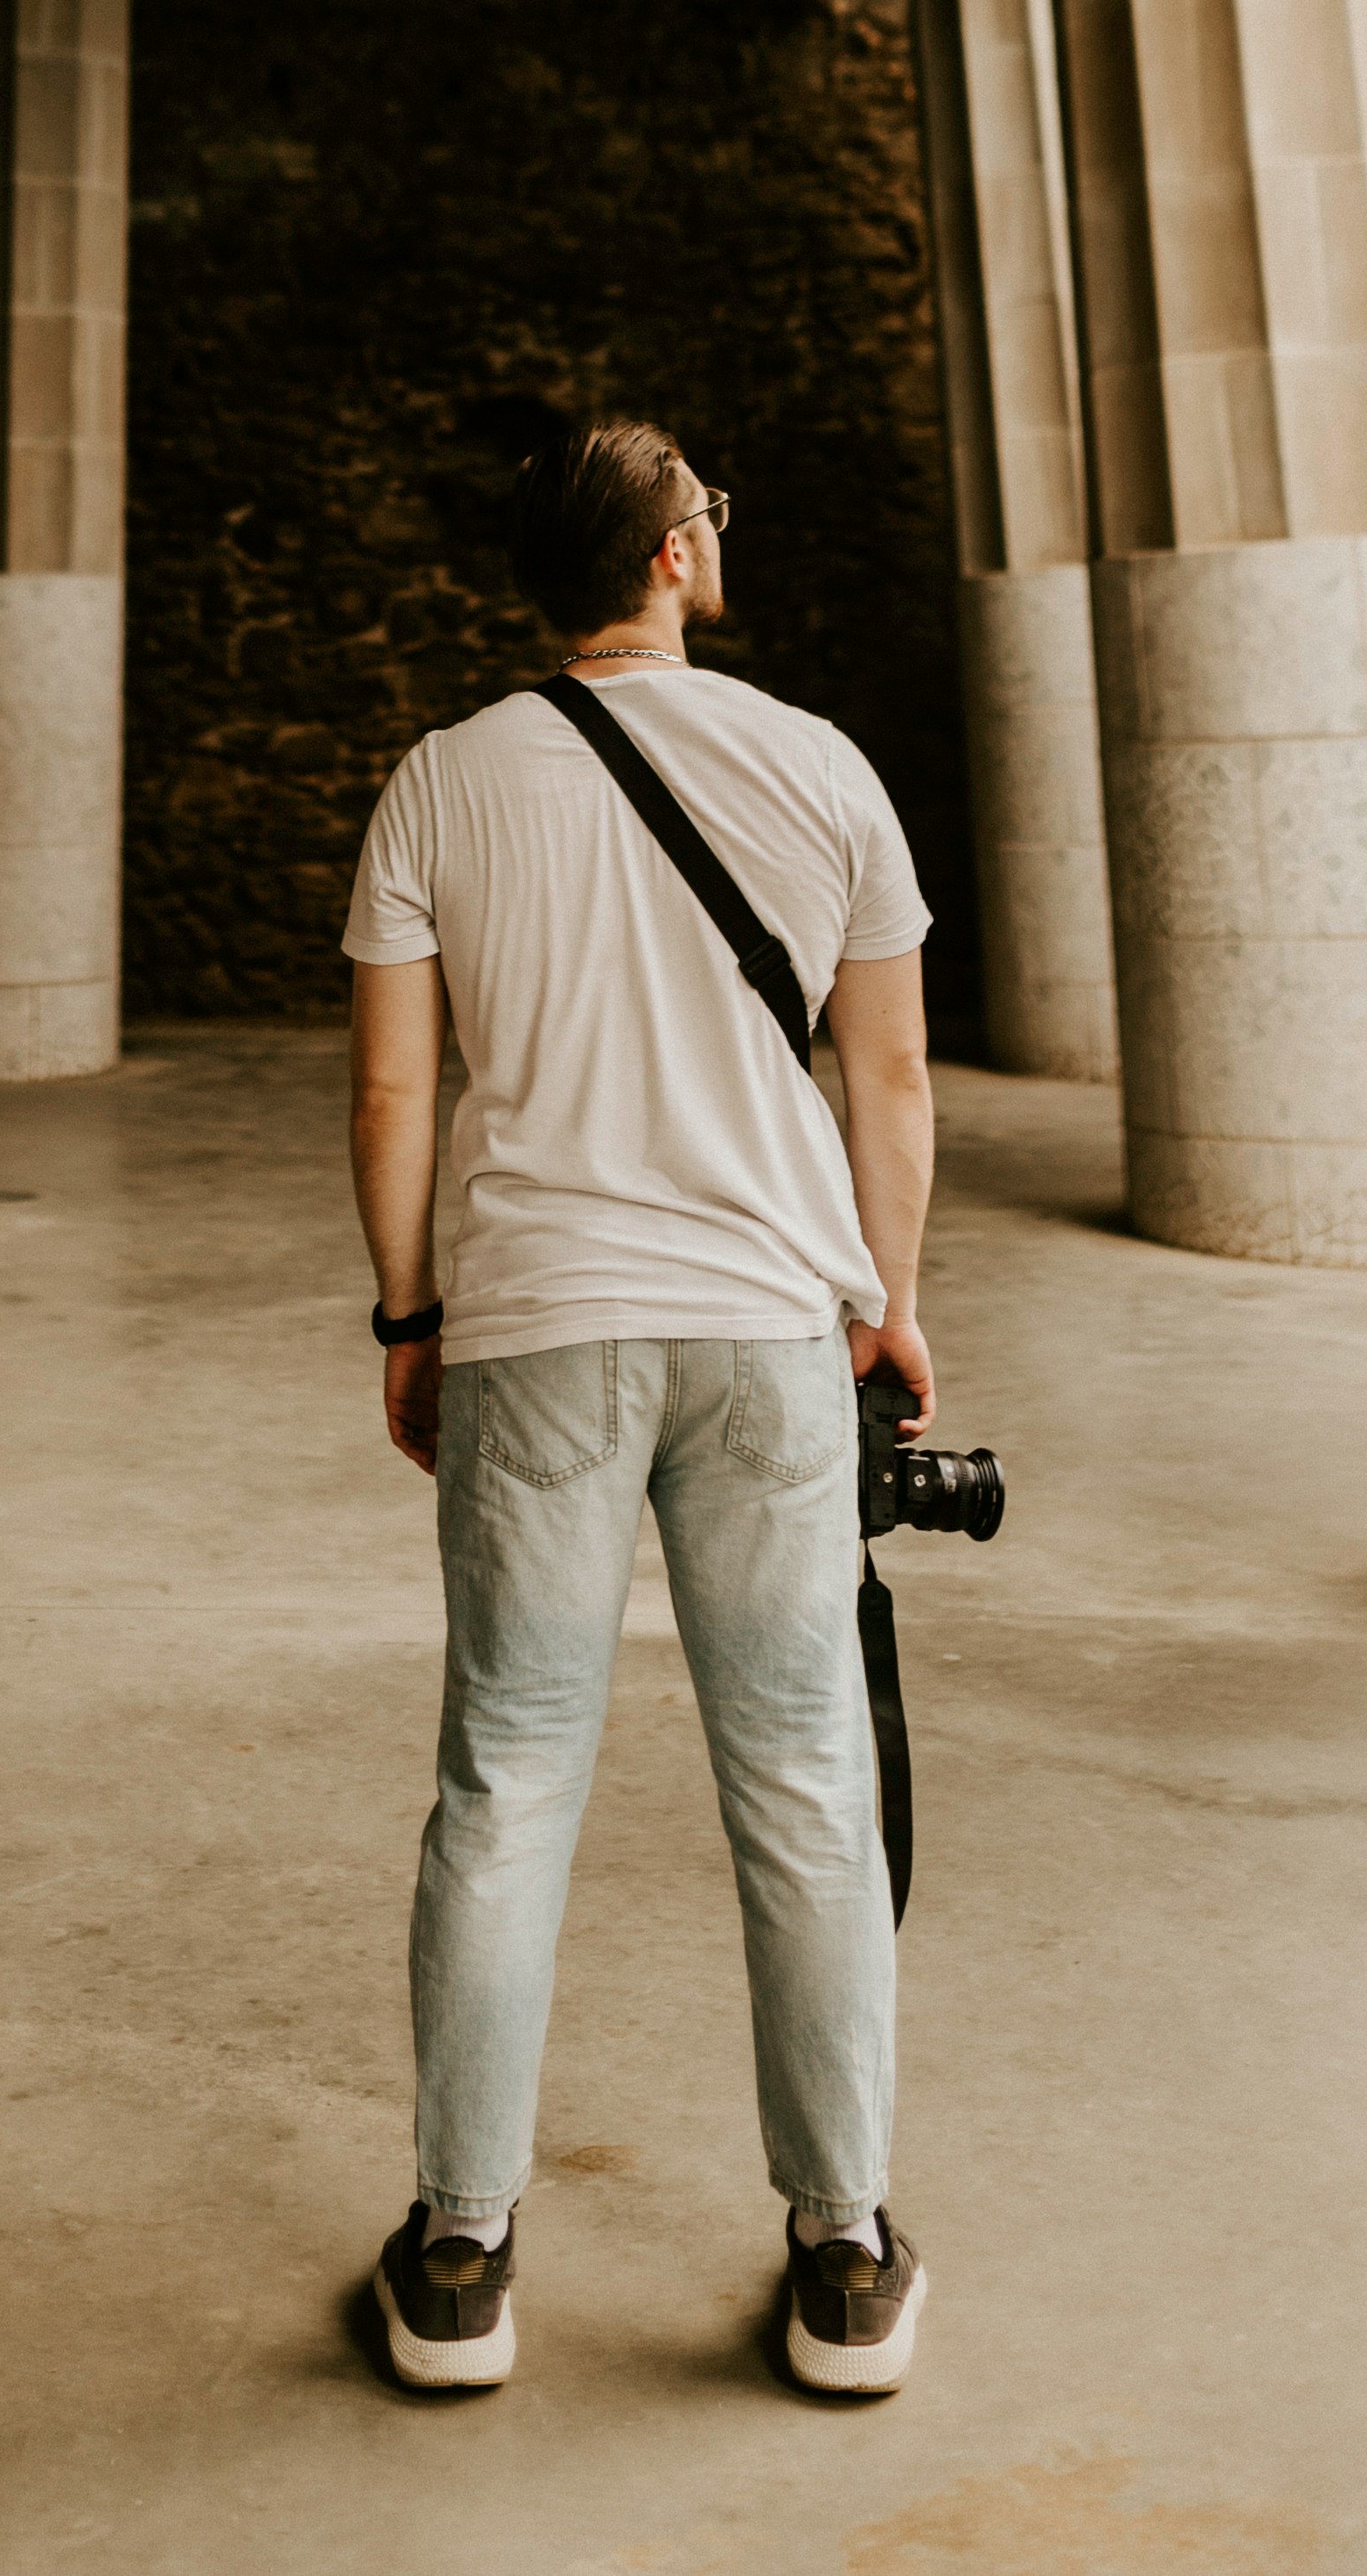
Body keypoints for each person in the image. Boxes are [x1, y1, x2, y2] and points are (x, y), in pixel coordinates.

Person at [343, 413, 938, 2399]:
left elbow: (393, 1095)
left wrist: (409, 1319)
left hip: (534, 1327)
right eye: (711, 510)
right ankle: (844, 2252)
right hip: (772, 1323)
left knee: (507, 1783)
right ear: (673, 556)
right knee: (802, 1776)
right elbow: (894, 1084)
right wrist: (892, 1301)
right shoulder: (820, 765)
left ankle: (459, 2256)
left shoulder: (440, 784)